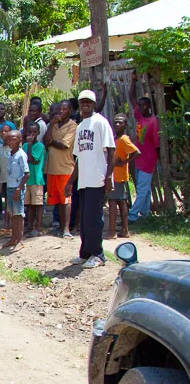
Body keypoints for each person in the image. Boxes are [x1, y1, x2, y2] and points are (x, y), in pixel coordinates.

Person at [66, 89, 115, 268]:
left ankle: (98, 254)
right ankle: (85, 253)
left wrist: (109, 176)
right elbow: (78, 158)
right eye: (82, 102)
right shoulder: (80, 126)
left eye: (88, 102)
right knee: (85, 219)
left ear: (93, 104)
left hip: (98, 178)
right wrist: (71, 181)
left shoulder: (101, 123)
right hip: (84, 180)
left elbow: (111, 151)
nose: (85, 104)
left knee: (94, 217)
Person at [43, 100, 77, 239]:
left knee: (66, 199)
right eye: (59, 110)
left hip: (65, 167)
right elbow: (46, 141)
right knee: (57, 200)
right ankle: (62, 226)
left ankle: (67, 229)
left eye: (64, 109)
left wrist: (52, 142)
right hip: (51, 167)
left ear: (70, 111)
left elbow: (64, 144)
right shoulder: (53, 125)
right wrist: (51, 124)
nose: (61, 112)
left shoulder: (73, 126)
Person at [127, 76, 160, 222]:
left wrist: (155, 162)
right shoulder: (140, 117)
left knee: (141, 189)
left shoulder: (153, 122)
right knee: (144, 190)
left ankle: (132, 215)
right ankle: (145, 214)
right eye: (139, 106)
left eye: (142, 106)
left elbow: (157, 145)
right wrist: (133, 81)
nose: (138, 108)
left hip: (148, 160)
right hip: (139, 159)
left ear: (148, 106)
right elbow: (132, 98)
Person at [105, 114, 139, 240]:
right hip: (115, 175)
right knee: (121, 201)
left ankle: (112, 232)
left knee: (113, 201)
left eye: (120, 123)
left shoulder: (124, 139)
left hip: (118, 176)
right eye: (115, 122)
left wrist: (124, 162)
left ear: (125, 124)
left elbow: (136, 152)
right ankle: (125, 230)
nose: (117, 125)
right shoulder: (116, 138)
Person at [4, 129, 29, 253]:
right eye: (8, 139)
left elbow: (26, 173)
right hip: (10, 186)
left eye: (13, 139)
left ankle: (20, 240)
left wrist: (19, 188)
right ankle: (13, 238)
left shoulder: (21, 155)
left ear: (19, 141)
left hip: (17, 188)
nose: (10, 141)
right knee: (13, 214)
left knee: (19, 214)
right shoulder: (10, 154)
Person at [24, 123, 46, 237]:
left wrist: (30, 144)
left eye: (34, 132)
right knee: (29, 204)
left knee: (38, 203)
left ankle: (39, 226)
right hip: (27, 180)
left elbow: (32, 159)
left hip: (36, 179)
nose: (31, 135)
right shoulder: (24, 146)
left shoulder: (39, 146)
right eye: (29, 132)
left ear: (38, 133)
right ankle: (29, 225)